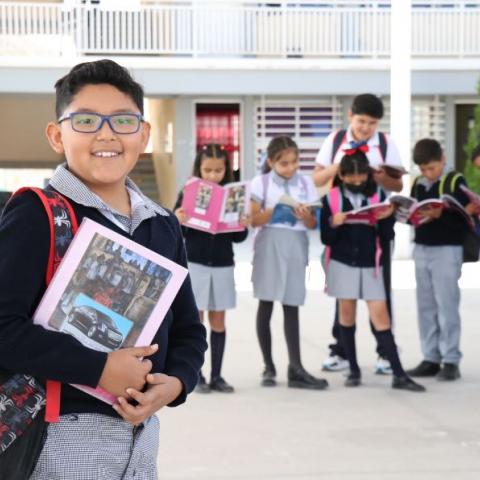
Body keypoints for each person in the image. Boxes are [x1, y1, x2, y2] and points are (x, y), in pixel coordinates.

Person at [0, 59, 207, 479]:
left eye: (124, 121)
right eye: (87, 120)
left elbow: (188, 328)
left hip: (140, 439)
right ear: (57, 136)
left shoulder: (162, 223)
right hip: (57, 440)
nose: (107, 133)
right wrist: (99, 368)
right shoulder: (37, 214)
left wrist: (179, 382)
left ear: (144, 134)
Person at [313, 93, 403, 375]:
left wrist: (373, 174)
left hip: (375, 228)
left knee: (380, 292)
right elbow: (317, 179)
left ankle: (385, 353)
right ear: (351, 115)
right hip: (341, 227)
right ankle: (340, 350)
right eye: (362, 121)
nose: (366, 128)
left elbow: (397, 183)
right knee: (343, 294)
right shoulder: (335, 140)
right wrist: (342, 166)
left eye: (372, 123)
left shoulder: (385, 143)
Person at [320, 149, 425, 392]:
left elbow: (386, 237)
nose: (357, 182)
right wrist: (334, 223)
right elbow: (327, 239)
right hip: (342, 262)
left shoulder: (379, 195)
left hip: (371, 264)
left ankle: (399, 374)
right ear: (342, 176)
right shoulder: (332, 198)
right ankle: (354, 370)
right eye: (351, 178)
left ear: (368, 174)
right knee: (346, 315)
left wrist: (386, 219)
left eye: (361, 178)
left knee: (381, 316)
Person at [250, 136, 328, 390]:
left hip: (296, 244)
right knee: (266, 301)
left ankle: (296, 367)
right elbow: (254, 220)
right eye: (284, 163)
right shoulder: (259, 183)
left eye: (294, 162)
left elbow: (313, 224)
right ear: (271, 162)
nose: (291, 167)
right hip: (269, 243)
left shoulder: (306, 183)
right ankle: (268, 367)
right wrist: (274, 210)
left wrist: (305, 216)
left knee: (292, 303)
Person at [175, 144, 249, 394]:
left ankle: (217, 375)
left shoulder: (233, 195)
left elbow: (239, 238)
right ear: (199, 168)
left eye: (218, 170)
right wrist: (179, 218)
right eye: (207, 170)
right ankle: (197, 375)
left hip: (223, 264)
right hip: (195, 263)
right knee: (197, 320)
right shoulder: (189, 191)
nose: (213, 175)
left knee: (218, 320)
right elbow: (180, 232)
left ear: (226, 169)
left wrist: (242, 224)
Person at [406, 139, 480, 381]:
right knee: (425, 306)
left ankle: (451, 359)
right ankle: (430, 357)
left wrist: (442, 214)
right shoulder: (418, 183)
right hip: (422, 248)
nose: (428, 173)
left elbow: (463, 218)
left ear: (443, 159)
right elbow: (412, 212)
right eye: (423, 169)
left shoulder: (454, 180)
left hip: (447, 250)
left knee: (447, 306)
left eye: (432, 168)